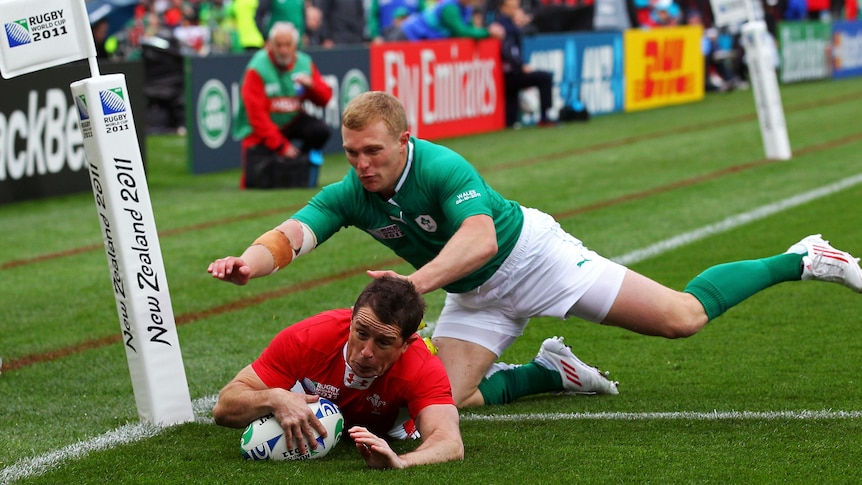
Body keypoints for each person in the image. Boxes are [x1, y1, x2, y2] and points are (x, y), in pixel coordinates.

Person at [209, 91, 862, 409]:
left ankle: (803, 256)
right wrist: (249, 259)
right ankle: (554, 372)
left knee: (683, 318)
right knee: (444, 402)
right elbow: (296, 232)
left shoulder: (442, 167)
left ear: (405, 139)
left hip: (534, 259)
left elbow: (481, 237)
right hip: (473, 293)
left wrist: (418, 285)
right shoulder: (352, 190)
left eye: (373, 150)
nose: (362, 163)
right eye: (352, 153)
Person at [212, 276, 464, 469]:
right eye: (361, 333)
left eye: (383, 342)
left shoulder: (420, 367)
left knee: (463, 393)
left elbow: (450, 442)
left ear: (405, 344)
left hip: (390, 431)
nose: (366, 352)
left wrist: (401, 461)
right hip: (317, 405)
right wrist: (274, 398)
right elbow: (224, 408)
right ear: (352, 319)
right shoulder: (308, 338)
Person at [233, 21, 333, 189]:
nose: (283, 50)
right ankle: (291, 163)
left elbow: (325, 99)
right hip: (261, 131)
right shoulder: (256, 69)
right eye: (278, 45)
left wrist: (312, 87)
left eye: (287, 45)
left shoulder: (304, 63)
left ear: (295, 45)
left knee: (319, 130)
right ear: (270, 45)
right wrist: (281, 146)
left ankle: (303, 166)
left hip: (291, 120)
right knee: (254, 180)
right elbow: (257, 117)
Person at [493, 0, 555, 127]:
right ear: (503, 7)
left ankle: (513, 122)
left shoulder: (509, 24)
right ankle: (544, 117)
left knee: (511, 111)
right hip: (510, 74)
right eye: (512, 7)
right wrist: (520, 66)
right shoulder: (502, 26)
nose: (514, 9)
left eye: (516, 7)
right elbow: (507, 50)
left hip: (509, 73)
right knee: (544, 78)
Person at [393, 0, 505, 41]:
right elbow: (461, 32)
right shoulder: (449, 7)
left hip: (421, 39)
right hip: (406, 35)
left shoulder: (467, 8)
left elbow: (471, 29)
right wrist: (488, 32)